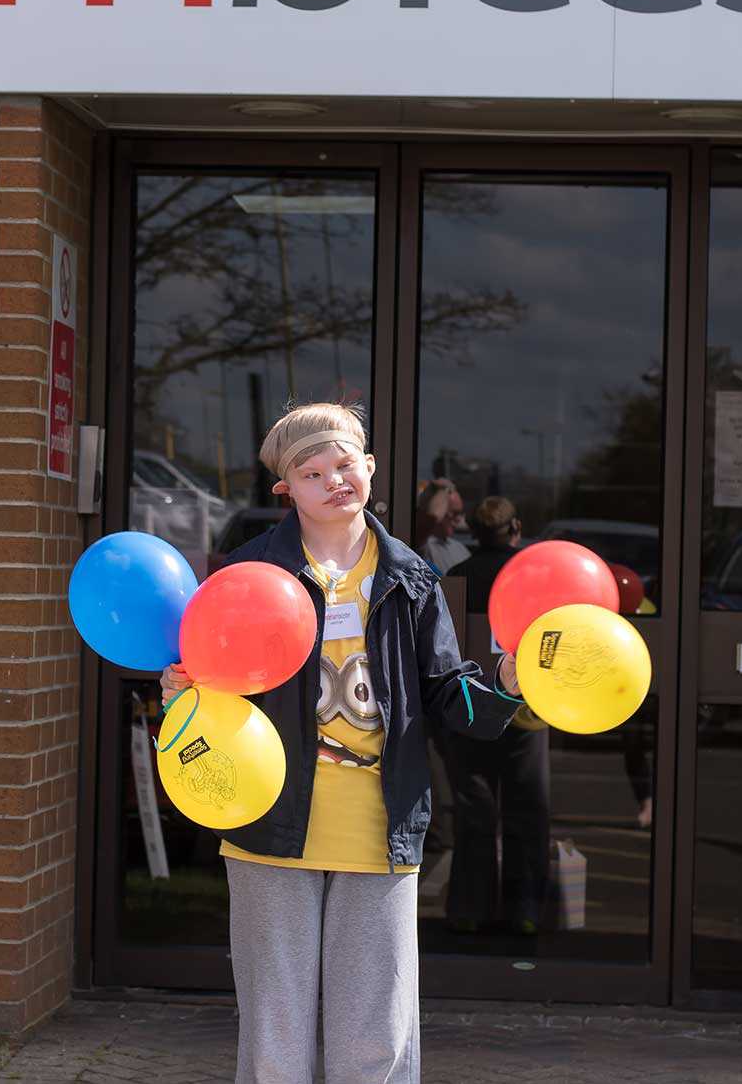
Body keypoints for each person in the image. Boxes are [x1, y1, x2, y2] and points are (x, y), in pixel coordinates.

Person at [158, 402, 522, 1084]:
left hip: (378, 830)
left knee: (376, 1039)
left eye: (345, 465)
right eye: (312, 471)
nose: (333, 482)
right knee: (276, 1034)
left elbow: (448, 694)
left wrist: (504, 683)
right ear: (284, 489)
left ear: (371, 469)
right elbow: (215, 694)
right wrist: (183, 691)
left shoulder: (411, 580)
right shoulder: (245, 575)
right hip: (269, 827)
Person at [440, 496, 553, 934]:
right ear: (516, 528)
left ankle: (470, 909)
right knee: (527, 809)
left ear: (475, 532)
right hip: (525, 709)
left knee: (475, 810)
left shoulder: (456, 576)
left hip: (469, 706)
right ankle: (525, 910)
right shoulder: (532, 579)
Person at [413, 478, 470, 573]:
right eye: (454, 513)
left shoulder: (460, 548)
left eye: (460, 513)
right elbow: (432, 516)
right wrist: (444, 489)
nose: (459, 519)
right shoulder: (423, 545)